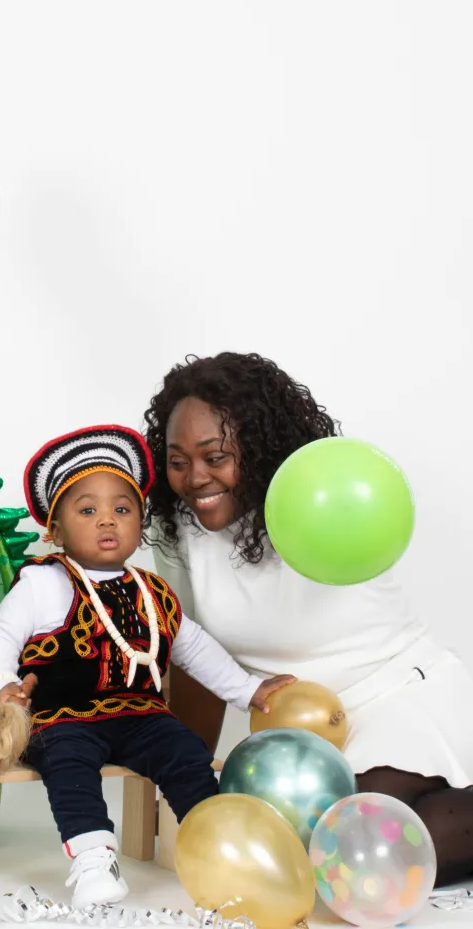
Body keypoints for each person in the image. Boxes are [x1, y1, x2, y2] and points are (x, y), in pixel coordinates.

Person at [144, 351, 473, 887]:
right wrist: (186, 780)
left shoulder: (322, 501)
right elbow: (195, 652)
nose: (195, 478)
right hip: (303, 738)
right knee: (317, 850)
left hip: (398, 696)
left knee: (363, 852)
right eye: (178, 461)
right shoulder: (177, 528)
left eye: (215, 456)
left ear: (258, 447)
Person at [0, 425, 294, 908]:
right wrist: (2, 684)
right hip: (64, 717)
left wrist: (247, 690)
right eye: (88, 511)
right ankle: (93, 859)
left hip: (141, 714)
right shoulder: (44, 583)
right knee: (68, 763)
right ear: (55, 531)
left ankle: (216, 845)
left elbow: (196, 648)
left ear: (140, 522)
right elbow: (1, 634)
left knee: (185, 751)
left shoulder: (153, 592)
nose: (107, 520)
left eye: (122, 510)